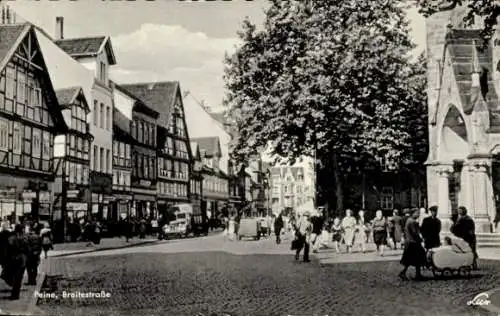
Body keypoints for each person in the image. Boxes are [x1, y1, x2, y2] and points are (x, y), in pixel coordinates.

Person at [399, 208, 426, 281]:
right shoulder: (412, 222)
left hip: (410, 242)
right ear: (413, 213)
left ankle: (417, 274)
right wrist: (421, 239)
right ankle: (406, 273)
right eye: (417, 213)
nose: (418, 214)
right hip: (413, 243)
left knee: (412, 259)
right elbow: (415, 233)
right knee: (417, 258)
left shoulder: (409, 220)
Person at [5, 224, 28, 299]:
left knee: (14, 276)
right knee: (19, 277)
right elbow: (28, 249)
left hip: (14, 258)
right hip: (23, 259)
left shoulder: (11, 238)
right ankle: (16, 293)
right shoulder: (25, 238)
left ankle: (14, 294)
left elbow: (8, 250)